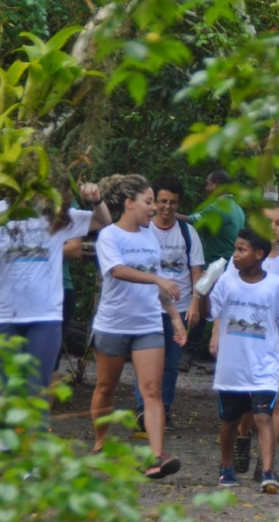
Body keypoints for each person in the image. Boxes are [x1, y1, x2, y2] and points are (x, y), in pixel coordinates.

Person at [0, 184, 111, 413]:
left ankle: (34, 441)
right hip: (3, 313)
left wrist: (96, 200)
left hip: (45, 315)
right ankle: (4, 443)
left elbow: (103, 221)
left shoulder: (55, 213)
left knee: (38, 388)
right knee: (4, 388)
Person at [88, 173, 187, 479]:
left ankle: (156, 457)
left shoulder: (149, 237)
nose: (153, 209)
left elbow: (158, 282)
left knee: (152, 391)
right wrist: (158, 278)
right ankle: (100, 442)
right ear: (129, 204)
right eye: (148, 202)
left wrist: (172, 316)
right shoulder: (110, 236)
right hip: (113, 323)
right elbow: (117, 270)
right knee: (106, 386)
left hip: (147, 324)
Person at [209, 229, 279, 491]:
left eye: (242, 250)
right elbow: (212, 311)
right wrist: (201, 292)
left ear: (259, 255)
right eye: (236, 249)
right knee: (229, 420)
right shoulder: (227, 282)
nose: (236, 255)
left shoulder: (275, 286)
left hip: (264, 365)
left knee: (263, 416)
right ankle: (226, 467)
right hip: (232, 366)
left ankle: (267, 471)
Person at [233, 202, 279, 476]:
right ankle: (242, 436)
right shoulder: (242, 257)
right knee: (248, 400)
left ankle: (266, 465)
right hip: (247, 336)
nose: (274, 228)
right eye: (268, 222)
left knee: (275, 397)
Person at [134, 176, 204, 433]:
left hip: (181, 304)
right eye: (162, 201)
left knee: (171, 363)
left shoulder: (187, 233)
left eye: (172, 202)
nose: (166, 207)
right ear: (154, 202)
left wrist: (196, 302)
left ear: (178, 204)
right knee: (145, 359)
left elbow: (197, 271)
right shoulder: (143, 230)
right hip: (148, 306)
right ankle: (143, 409)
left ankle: (164, 408)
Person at [178, 169, 245, 367]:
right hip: (230, 266)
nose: (206, 189)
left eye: (208, 184)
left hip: (214, 267)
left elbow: (191, 220)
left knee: (199, 308)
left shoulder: (218, 207)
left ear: (216, 184)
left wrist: (165, 214)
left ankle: (188, 353)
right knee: (222, 311)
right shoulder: (237, 208)